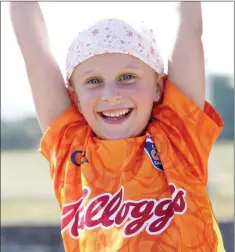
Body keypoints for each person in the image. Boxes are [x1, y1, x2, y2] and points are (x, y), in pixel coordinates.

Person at [10, 2, 225, 252]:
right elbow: (34, 49)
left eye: (127, 77)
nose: (111, 94)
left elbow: (188, 30)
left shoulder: (178, 138)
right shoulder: (70, 148)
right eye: (94, 81)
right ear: (76, 97)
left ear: (157, 87)